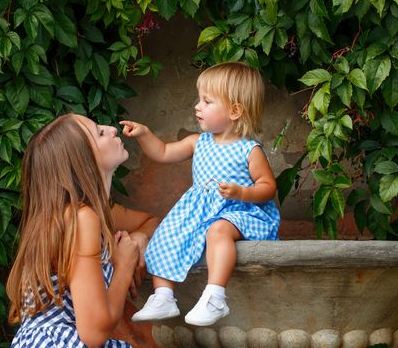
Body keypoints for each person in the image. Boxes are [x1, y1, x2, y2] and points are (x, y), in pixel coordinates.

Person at [120, 62, 280, 326]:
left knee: (218, 231)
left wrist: (241, 192)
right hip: (200, 211)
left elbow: (268, 187)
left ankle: (215, 297)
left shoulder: (249, 150)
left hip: (238, 211)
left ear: (235, 110)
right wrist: (144, 134)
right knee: (165, 235)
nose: (197, 106)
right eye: (199, 99)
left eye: (207, 101)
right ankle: (163, 296)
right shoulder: (198, 142)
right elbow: (162, 152)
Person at [6, 113, 158, 348]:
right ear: (83, 160)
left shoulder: (91, 213)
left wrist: (137, 239)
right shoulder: (81, 218)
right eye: (99, 132)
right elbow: (94, 333)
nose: (112, 129)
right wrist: (125, 266)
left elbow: (150, 221)